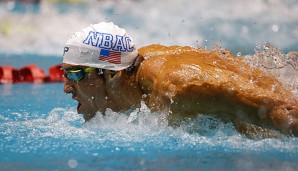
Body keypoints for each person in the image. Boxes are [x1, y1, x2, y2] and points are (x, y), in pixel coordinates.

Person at [62, 22, 298, 138]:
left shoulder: (179, 88)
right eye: (64, 74)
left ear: (112, 73)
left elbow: (287, 111)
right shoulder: (135, 68)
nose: (66, 88)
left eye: (75, 74)